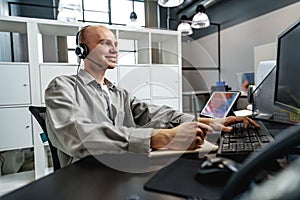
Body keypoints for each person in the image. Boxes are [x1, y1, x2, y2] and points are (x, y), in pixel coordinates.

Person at [45, 25, 259, 167]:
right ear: (82, 50)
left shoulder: (118, 93)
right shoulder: (62, 87)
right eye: (105, 43)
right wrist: (159, 138)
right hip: (85, 177)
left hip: (123, 167)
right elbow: (77, 134)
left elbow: (159, 115)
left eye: (116, 44)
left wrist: (209, 122)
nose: (114, 50)